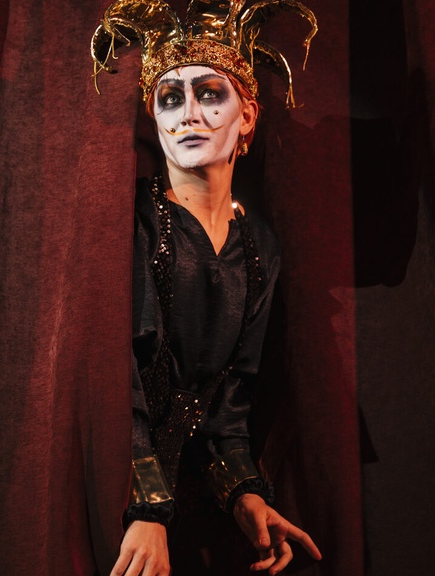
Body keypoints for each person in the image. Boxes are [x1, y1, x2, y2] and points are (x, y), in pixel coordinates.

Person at [91, 1, 322, 574]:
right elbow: (111, 378)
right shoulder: (131, 221)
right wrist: (146, 508)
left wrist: (246, 495)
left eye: (210, 94)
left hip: (188, 516)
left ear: (247, 115)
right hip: (114, 499)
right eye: (170, 99)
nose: (189, 115)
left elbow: (228, 405)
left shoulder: (258, 246)